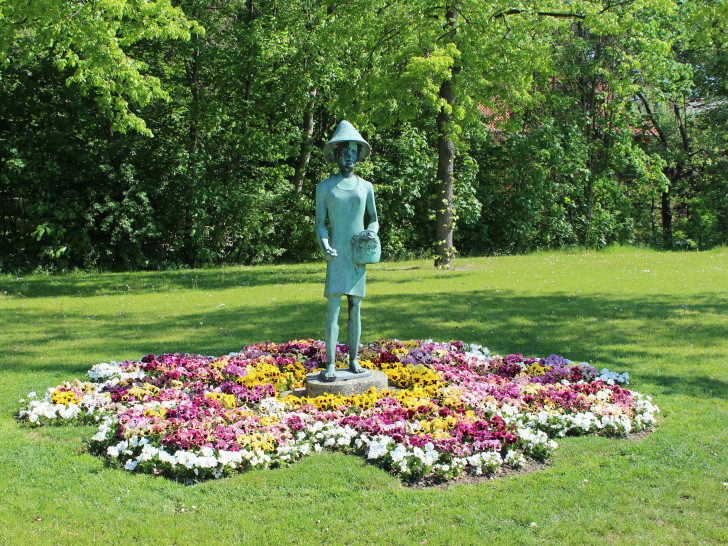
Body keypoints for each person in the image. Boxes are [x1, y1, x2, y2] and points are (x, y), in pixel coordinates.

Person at [315, 121, 379, 382]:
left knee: (356, 308)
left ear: (358, 156)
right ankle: (330, 362)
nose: (349, 158)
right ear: (337, 156)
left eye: (353, 153)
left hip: (357, 255)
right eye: (344, 153)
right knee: (333, 308)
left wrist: (372, 232)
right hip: (337, 254)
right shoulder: (324, 187)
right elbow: (320, 223)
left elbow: (373, 218)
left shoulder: (366, 187)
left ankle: (353, 359)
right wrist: (325, 245)